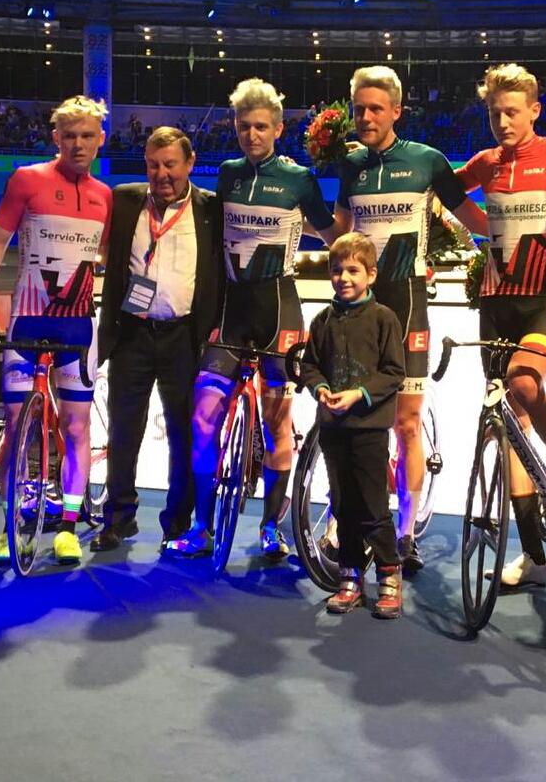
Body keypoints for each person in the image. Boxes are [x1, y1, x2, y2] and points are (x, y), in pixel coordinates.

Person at [168, 79, 337, 558]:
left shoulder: (299, 179)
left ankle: (270, 527)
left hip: (279, 313)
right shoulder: (228, 174)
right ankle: (201, 527)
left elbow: (334, 237)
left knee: (277, 424)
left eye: (261, 126)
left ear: (278, 129)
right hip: (232, 316)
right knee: (203, 416)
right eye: (244, 126)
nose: (252, 135)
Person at [0, 95, 112, 566]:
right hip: (28, 321)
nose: (78, 144)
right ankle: (9, 525)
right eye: (69, 136)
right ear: (55, 137)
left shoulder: (105, 196)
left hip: (78, 327)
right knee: (17, 428)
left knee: (76, 427)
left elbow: (107, 259)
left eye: (87, 136)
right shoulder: (27, 179)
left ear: (100, 139)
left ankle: (68, 526)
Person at [332, 65, 488, 574]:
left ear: (397, 111)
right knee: (354, 421)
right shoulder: (351, 166)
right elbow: (338, 232)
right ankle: (347, 520)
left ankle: (404, 533)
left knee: (405, 423)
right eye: (359, 109)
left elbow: (473, 219)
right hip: (358, 311)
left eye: (376, 108)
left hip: (409, 305)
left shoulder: (427, 160)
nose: (366, 117)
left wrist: (524, 234)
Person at [454, 63, 546, 589]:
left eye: (512, 112)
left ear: (535, 110)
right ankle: (535, 559)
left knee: (523, 384)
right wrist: (482, 230)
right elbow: (445, 192)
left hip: (545, 301)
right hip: (495, 302)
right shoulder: (485, 162)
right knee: (509, 426)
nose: (503, 122)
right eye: (495, 113)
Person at [94, 127, 224, 551]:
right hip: (132, 333)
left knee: (183, 435)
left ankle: (177, 522)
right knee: (123, 430)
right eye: (153, 165)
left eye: (170, 164)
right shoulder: (125, 200)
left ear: (190, 163)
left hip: (184, 336)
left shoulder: (210, 208)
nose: (161, 174)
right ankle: (119, 517)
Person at [298, 232, 406, 618]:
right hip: (333, 429)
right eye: (336, 270)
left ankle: (390, 575)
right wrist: (321, 389)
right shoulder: (322, 321)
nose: (343, 277)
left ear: (371, 275)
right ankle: (350, 577)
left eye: (353, 270)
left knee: (372, 506)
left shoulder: (384, 319)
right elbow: (310, 365)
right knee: (342, 504)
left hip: (369, 429)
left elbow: (394, 372)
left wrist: (359, 394)